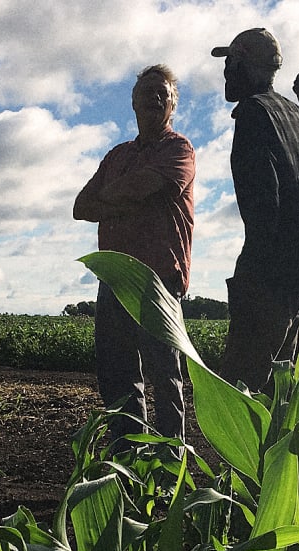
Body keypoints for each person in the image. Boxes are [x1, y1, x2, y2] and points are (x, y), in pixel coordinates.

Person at [211, 28, 299, 393]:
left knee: (240, 392)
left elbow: (263, 207)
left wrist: (248, 276)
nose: (225, 72)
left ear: (242, 64)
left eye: (229, 62)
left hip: (269, 276)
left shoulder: (254, 114)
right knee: (280, 391)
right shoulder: (295, 114)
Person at [73, 64, 195, 443]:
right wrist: (128, 198)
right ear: (133, 103)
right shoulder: (117, 155)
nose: (156, 98)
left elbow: (150, 186)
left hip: (158, 279)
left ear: (173, 105)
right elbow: (81, 206)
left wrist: (112, 199)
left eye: (164, 94)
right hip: (114, 278)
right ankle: (129, 452)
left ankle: (170, 457)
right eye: (148, 92)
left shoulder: (179, 149)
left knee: (165, 375)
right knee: (117, 373)